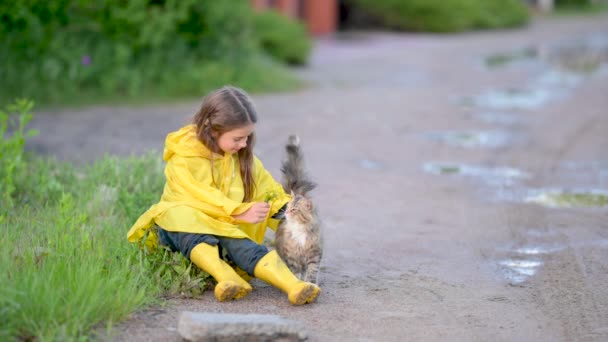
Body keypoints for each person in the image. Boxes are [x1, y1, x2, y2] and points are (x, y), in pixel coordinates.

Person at [126, 86, 320, 305]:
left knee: (240, 243)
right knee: (180, 216)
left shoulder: (243, 158)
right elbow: (194, 196)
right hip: (182, 233)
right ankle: (224, 277)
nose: (244, 144)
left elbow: (269, 192)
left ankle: (294, 286)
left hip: (225, 233)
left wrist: (291, 213)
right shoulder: (183, 157)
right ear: (212, 129)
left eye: (247, 137)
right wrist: (239, 212)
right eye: (238, 138)